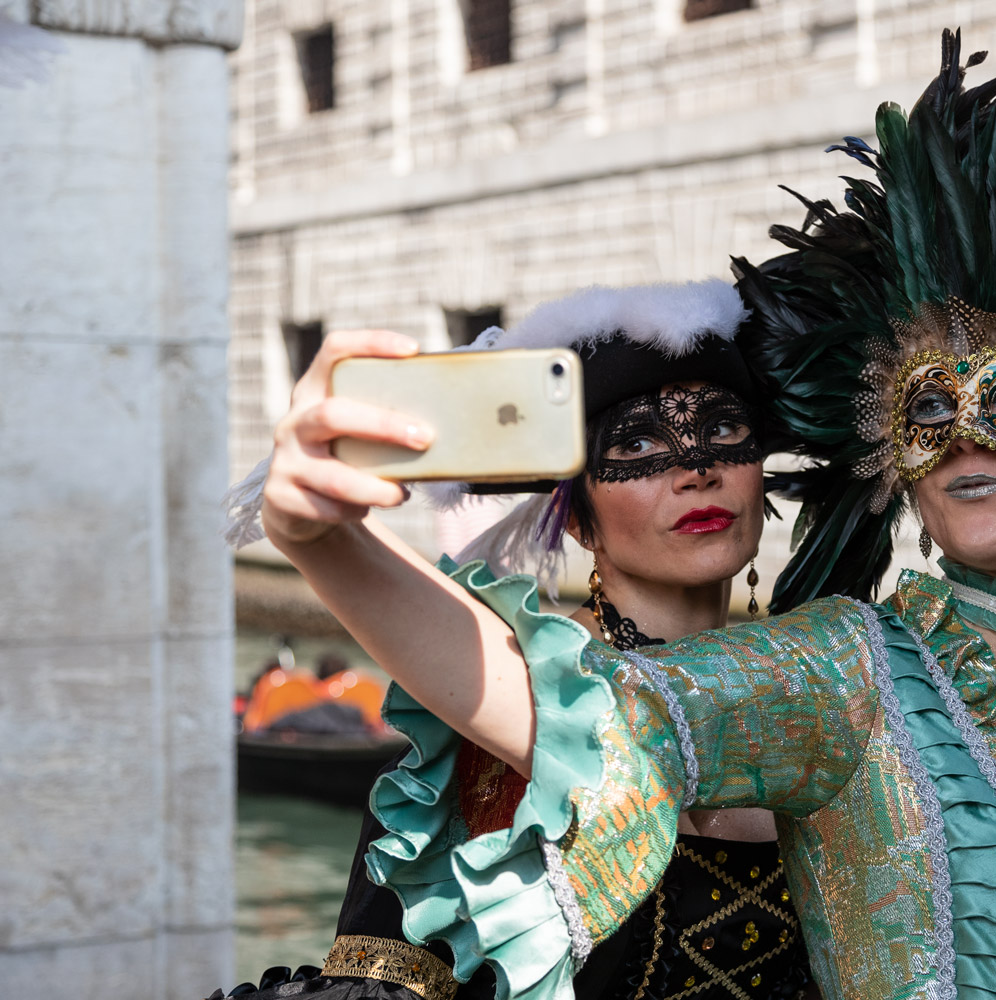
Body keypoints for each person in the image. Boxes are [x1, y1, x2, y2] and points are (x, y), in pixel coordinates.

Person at [244, 33, 996, 1000]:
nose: (968, 436)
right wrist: (322, 539)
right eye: (927, 407)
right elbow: (580, 713)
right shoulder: (848, 673)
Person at [215, 280, 817, 1000]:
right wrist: (313, 532)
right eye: (636, 441)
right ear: (577, 520)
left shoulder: (827, 695)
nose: (697, 467)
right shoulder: (495, 720)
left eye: (723, 429)